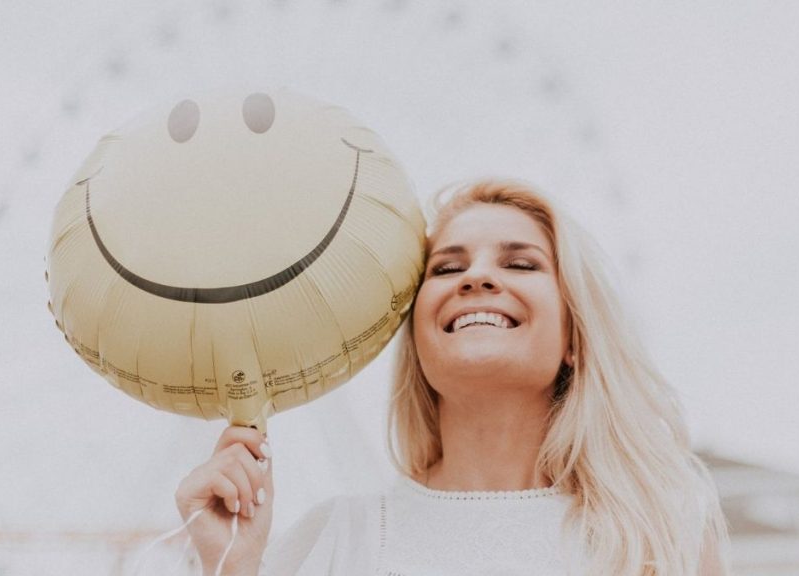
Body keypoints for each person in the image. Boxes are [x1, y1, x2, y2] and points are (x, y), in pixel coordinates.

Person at [175, 180, 729, 575]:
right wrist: (233, 567)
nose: (478, 277)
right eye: (447, 268)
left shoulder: (658, 541)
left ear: (576, 341)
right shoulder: (339, 540)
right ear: (417, 338)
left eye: (520, 264)